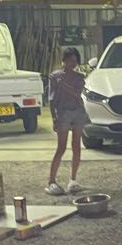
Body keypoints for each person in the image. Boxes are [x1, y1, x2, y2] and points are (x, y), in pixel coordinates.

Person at [46, 47, 89, 196]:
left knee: (76, 146)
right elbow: (51, 99)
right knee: (61, 147)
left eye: (75, 61)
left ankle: (73, 180)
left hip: (77, 112)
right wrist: (54, 117)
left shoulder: (79, 77)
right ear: (63, 60)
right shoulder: (54, 76)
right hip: (62, 112)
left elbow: (77, 94)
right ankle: (51, 181)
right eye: (70, 60)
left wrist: (63, 84)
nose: (72, 63)